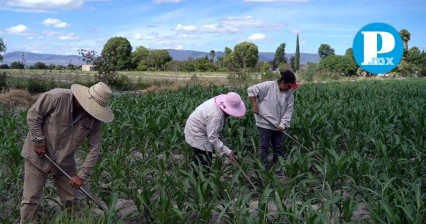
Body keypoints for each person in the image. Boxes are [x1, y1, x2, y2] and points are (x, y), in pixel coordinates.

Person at [20, 82, 114, 223]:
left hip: (65, 159)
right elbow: (34, 116)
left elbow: (95, 148)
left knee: (71, 199)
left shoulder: (94, 120)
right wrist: (39, 142)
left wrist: (81, 176)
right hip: (38, 155)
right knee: (31, 198)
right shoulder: (56, 97)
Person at [184, 92, 246, 175]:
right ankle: (199, 181)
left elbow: (213, 132)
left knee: (201, 157)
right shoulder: (216, 115)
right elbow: (212, 137)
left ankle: (197, 175)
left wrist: (224, 150)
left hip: (201, 127)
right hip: (197, 132)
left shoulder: (218, 103)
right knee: (204, 160)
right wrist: (227, 151)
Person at [247, 70, 298, 169]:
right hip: (264, 122)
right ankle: (263, 168)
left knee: (278, 147)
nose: (289, 88)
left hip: (278, 125)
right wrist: (255, 105)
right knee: (264, 147)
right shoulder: (268, 86)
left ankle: (277, 167)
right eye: (289, 86)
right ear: (283, 82)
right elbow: (251, 90)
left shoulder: (289, 94)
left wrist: (283, 124)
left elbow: (289, 110)